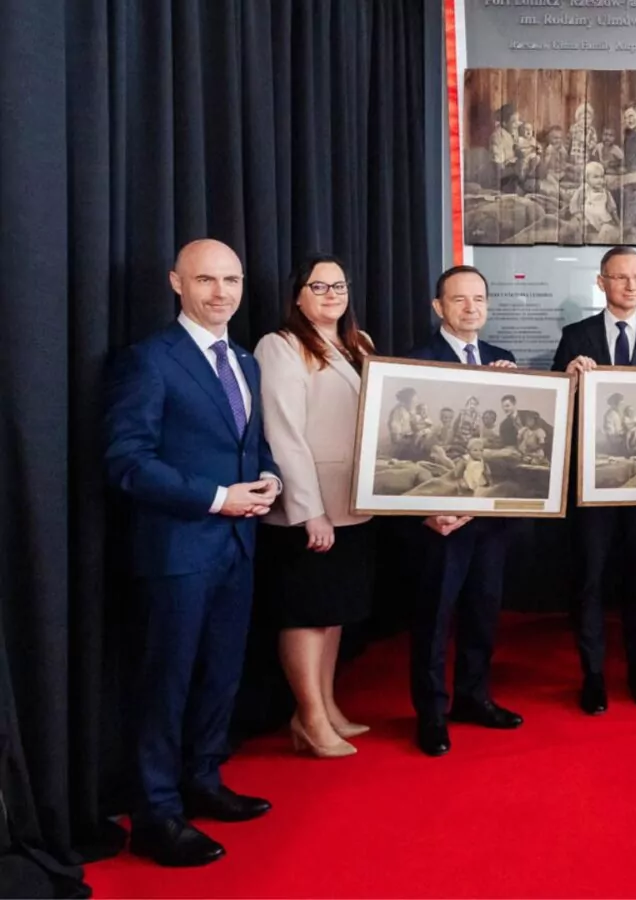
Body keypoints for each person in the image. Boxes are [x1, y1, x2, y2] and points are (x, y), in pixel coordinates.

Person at [105, 239, 282, 866]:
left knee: (221, 674)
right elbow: (127, 462)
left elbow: (249, 445)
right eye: (206, 279)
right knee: (167, 683)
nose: (221, 292)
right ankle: (156, 815)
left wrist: (269, 479)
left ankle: (203, 780)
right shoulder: (149, 361)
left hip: (238, 547)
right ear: (176, 283)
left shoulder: (245, 361)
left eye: (231, 279)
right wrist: (216, 498)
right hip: (177, 552)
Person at [254, 254, 376, 760]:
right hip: (312, 509)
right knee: (307, 613)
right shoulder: (280, 346)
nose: (332, 295)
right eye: (319, 286)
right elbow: (283, 434)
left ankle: (327, 706)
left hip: (353, 502)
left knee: (333, 613)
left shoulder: (358, 343)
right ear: (298, 296)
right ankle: (307, 718)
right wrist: (310, 510)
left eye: (339, 286)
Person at [553, 246, 636, 713]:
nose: (631, 286)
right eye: (621, 277)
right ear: (601, 282)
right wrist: (568, 377)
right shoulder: (576, 335)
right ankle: (592, 674)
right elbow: (556, 405)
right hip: (592, 484)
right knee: (589, 578)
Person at [404, 265, 524, 757]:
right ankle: (431, 712)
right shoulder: (416, 362)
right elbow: (406, 447)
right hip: (442, 518)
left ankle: (474, 697)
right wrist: (421, 513)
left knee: (483, 610)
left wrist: (519, 391)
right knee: (435, 617)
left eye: (479, 299)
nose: (471, 307)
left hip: (491, 516)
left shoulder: (503, 359)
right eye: (459, 299)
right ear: (439, 307)